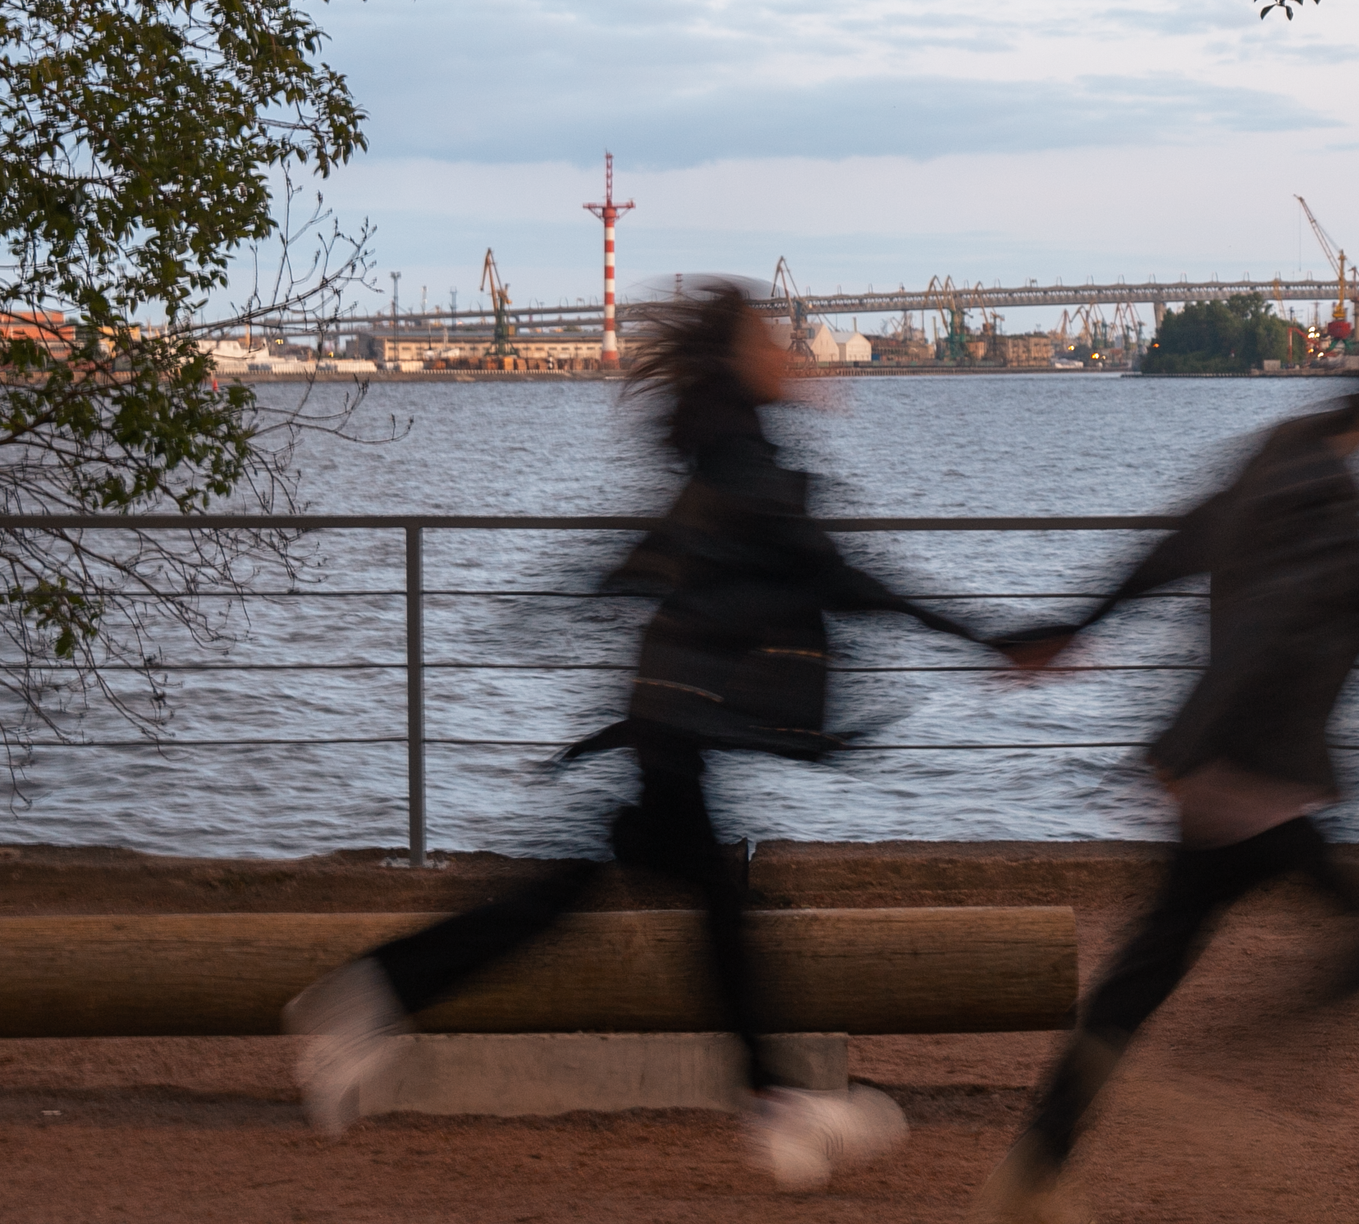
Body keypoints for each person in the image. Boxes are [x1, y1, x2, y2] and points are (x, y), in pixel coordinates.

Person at [284, 280, 979, 1189]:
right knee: (691, 905)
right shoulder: (742, 459)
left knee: (643, 896)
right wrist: (993, 636)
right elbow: (841, 574)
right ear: (738, 356)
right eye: (773, 337)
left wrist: (580, 596)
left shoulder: (727, 443)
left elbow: (668, 553)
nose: (789, 348)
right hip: (676, 716)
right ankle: (777, 1107)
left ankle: (377, 994)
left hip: (668, 714)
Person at [975, 381, 1359, 1223]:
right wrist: (1188, 738)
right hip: (1255, 778)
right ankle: (1232, 1056)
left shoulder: (1267, 472)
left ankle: (1034, 1169)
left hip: (1218, 778)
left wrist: (1076, 624)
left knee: (1142, 976)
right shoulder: (1324, 491)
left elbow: (1171, 549)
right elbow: (1267, 629)